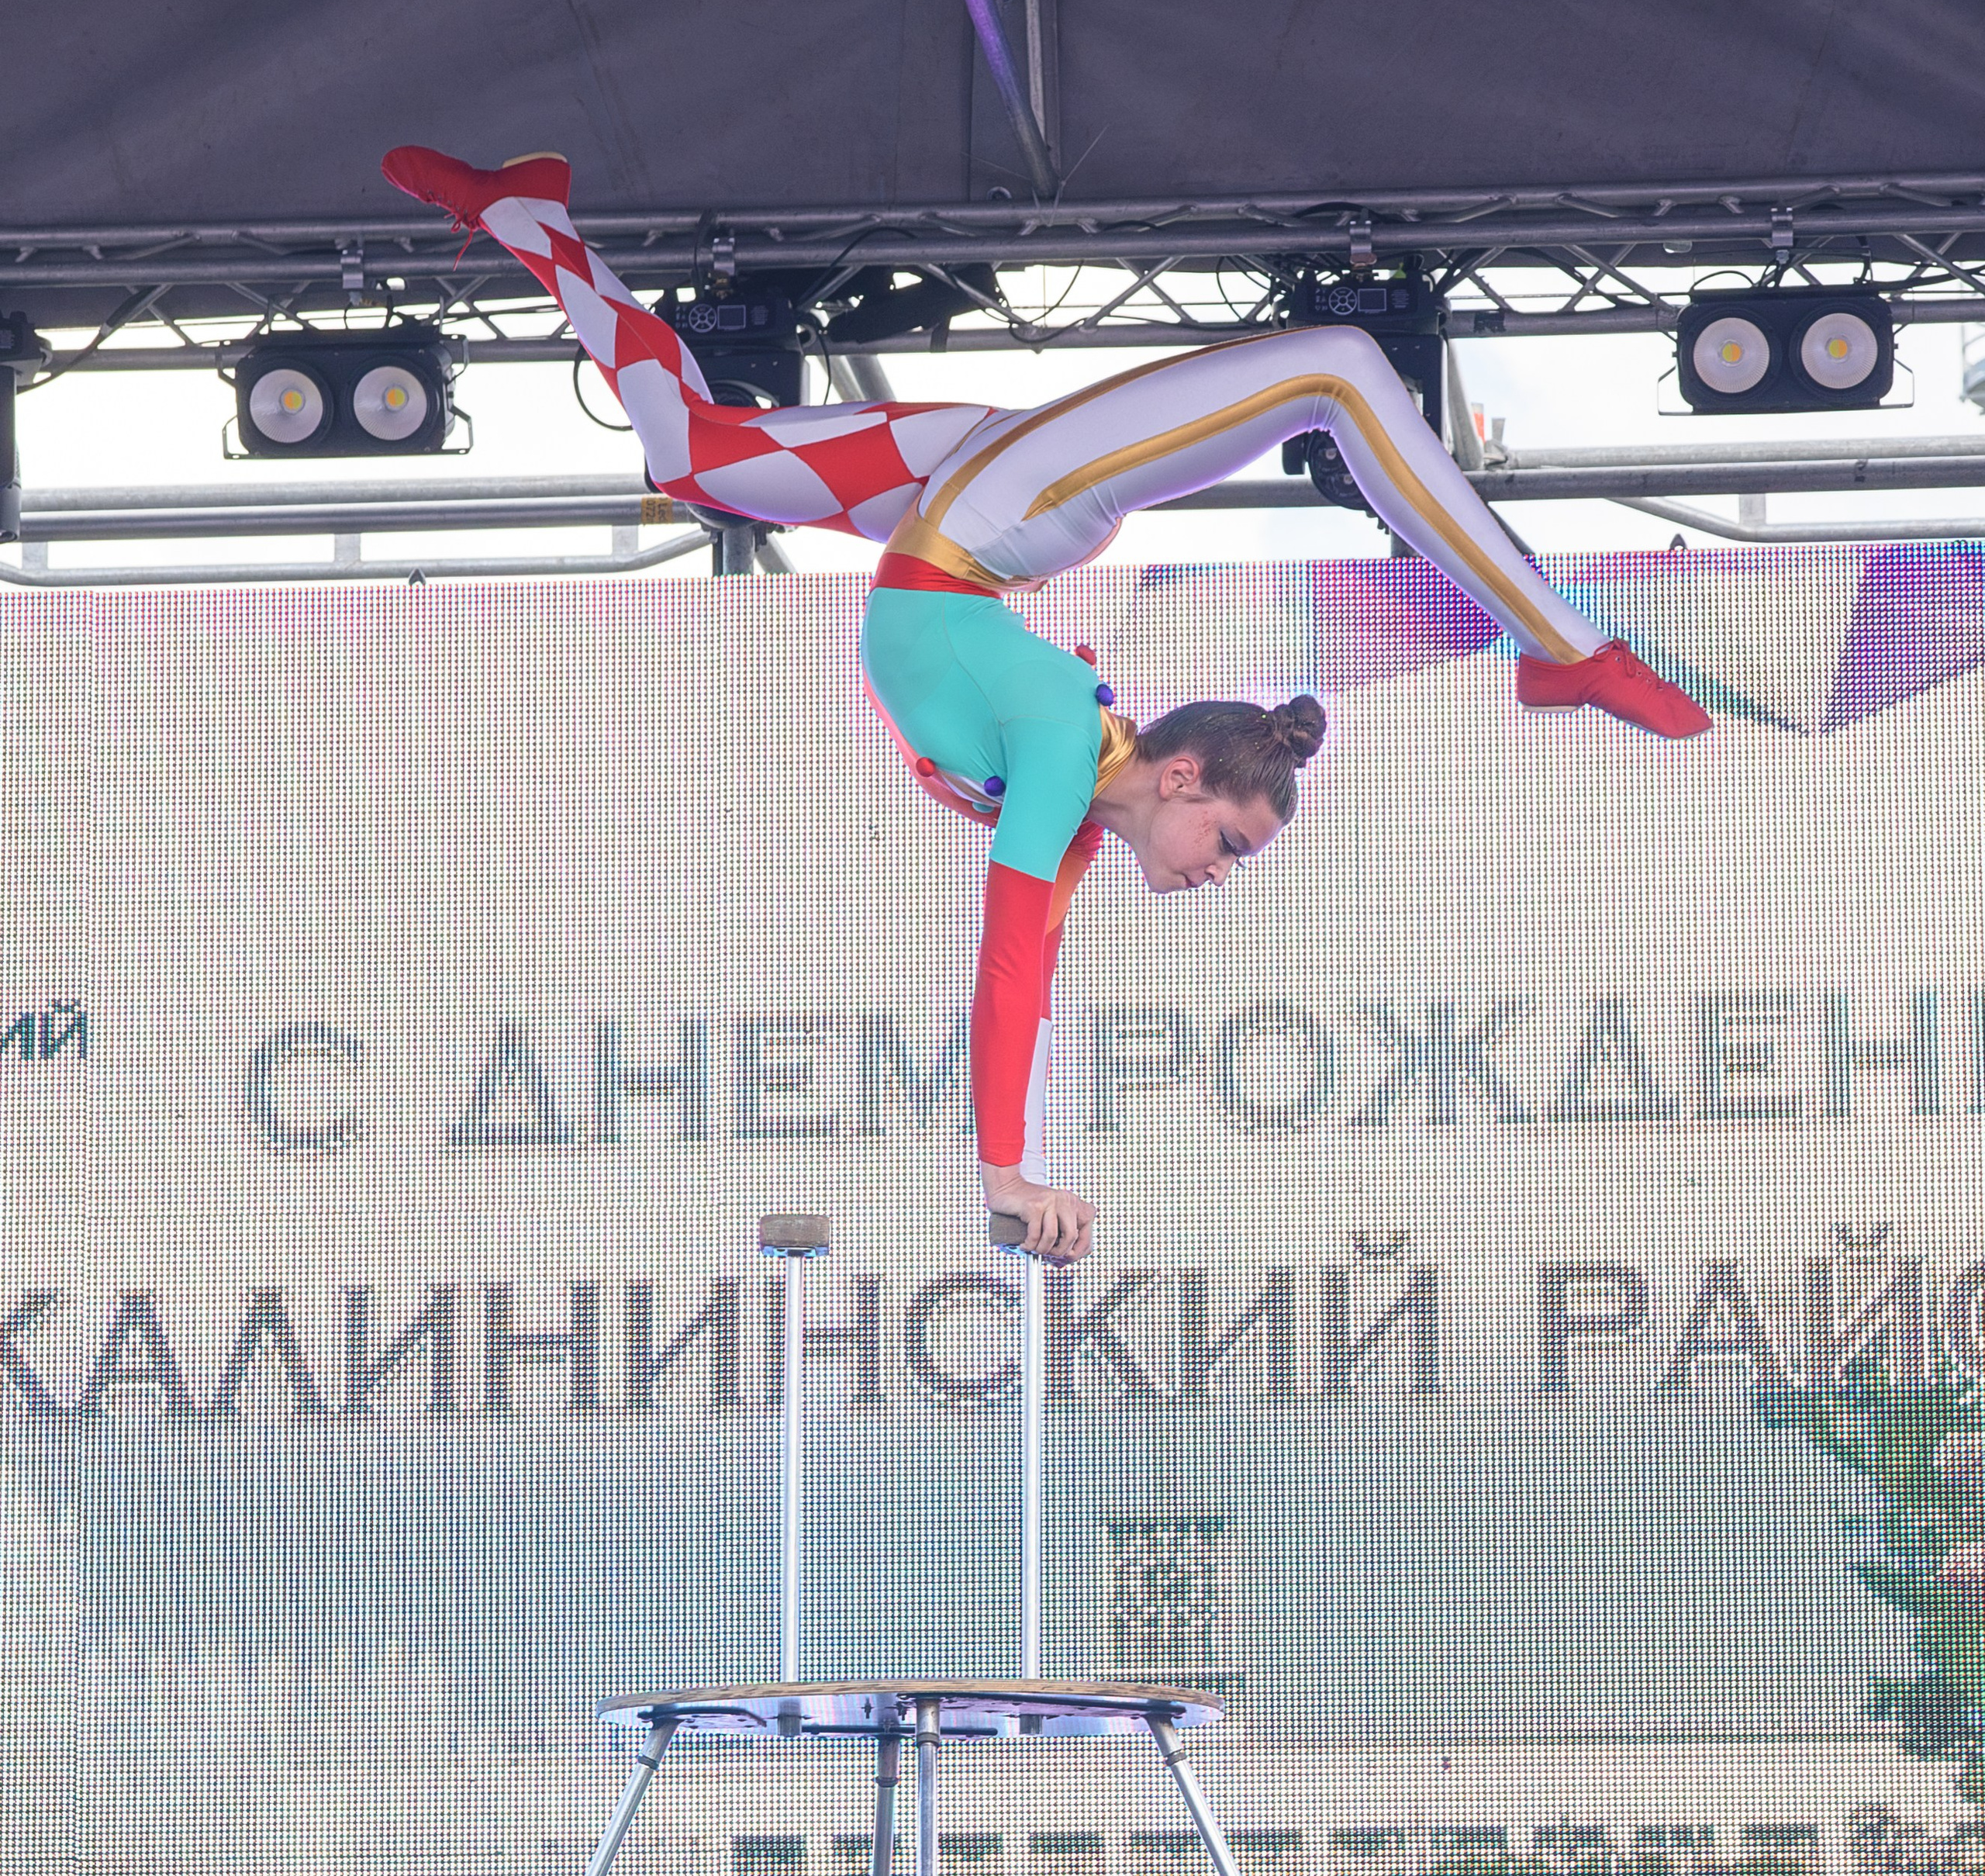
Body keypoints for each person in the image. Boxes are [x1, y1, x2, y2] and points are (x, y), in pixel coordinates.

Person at [383, 147, 1710, 1263]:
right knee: (1345, 365)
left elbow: (1024, 973)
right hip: (1005, 506)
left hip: (958, 512)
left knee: (692, 457)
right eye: (1235, 844)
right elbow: (1010, 972)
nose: (1223, 876)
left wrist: (1008, 1172)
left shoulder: (1071, 803)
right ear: (1187, 781)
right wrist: (1004, 1171)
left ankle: (528, 214)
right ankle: (1562, 644)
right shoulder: (1069, 751)